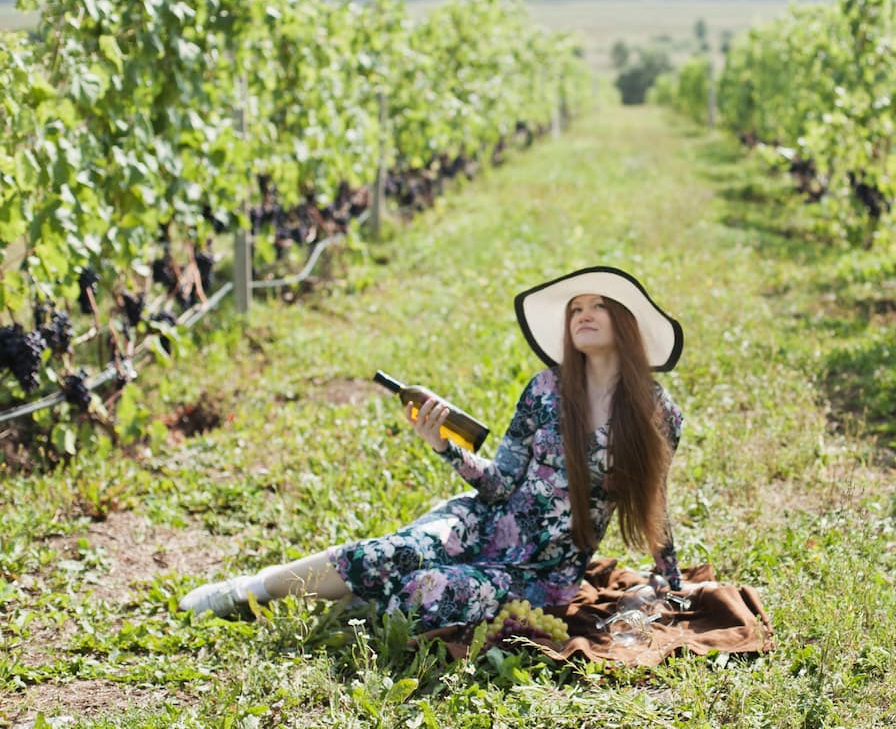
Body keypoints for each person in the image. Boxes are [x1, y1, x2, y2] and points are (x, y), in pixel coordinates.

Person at [179, 265, 688, 629]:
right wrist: (444, 446)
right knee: (386, 553)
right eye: (576, 307)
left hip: (541, 569)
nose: (583, 313)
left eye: (599, 305)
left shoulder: (656, 414)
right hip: (483, 521)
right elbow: (500, 483)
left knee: (426, 590)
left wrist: (670, 583)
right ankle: (249, 590)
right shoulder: (544, 389)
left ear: (626, 323)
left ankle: (357, 602)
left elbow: (654, 504)